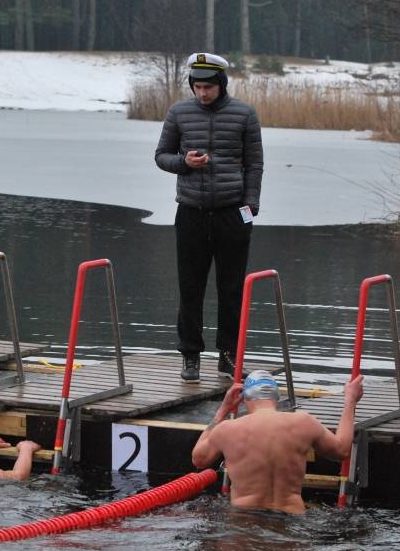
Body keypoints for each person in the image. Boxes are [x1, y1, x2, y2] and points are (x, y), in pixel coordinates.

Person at [154, 52, 264, 383]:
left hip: (233, 213)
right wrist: (185, 162)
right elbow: (161, 156)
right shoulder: (179, 113)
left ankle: (229, 357)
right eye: (197, 87)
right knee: (191, 287)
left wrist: (250, 206)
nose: (202, 93)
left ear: (221, 84)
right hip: (191, 212)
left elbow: (254, 164)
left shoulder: (245, 114)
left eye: (208, 87)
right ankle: (190, 356)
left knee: (231, 289)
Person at [191, 371, 365, 514]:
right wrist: (350, 402)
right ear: (276, 397)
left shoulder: (227, 429)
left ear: (245, 398)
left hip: (244, 517)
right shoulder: (304, 422)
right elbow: (342, 450)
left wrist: (222, 411)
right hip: (291, 517)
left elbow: (199, 459)